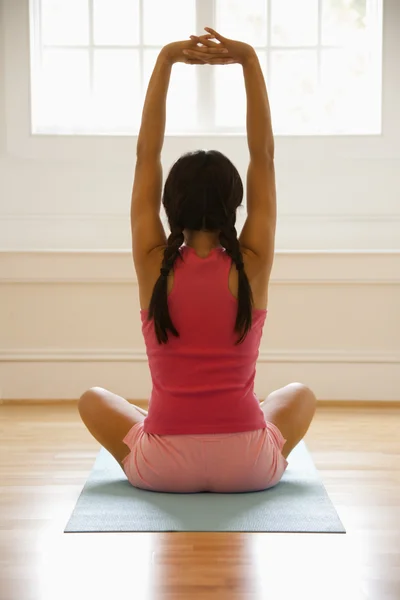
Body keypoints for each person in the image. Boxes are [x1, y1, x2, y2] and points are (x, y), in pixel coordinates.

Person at [78, 28, 316, 493]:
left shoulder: (152, 263)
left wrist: (166, 61)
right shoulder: (252, 262)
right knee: (298, 395)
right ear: (235, 204)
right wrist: (249, 61)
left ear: (170, 203)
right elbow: (263, 156)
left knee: (93, 399)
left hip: (163, 469)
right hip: (248, 468)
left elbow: (146, 154)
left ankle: (168, 422)